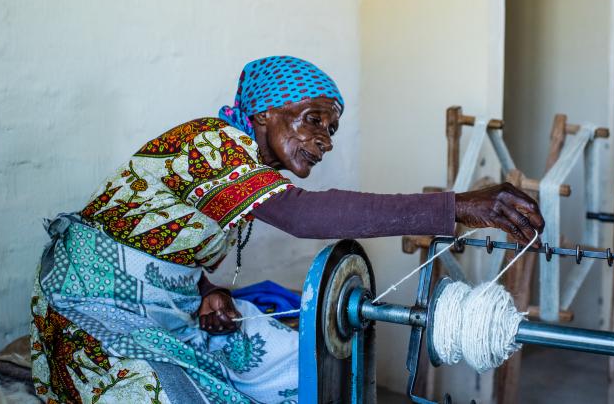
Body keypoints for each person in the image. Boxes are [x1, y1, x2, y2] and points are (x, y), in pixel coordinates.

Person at [30, 56, 544, 403]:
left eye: (332, 129)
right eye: (313, 120)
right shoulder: (206, 143)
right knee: (165, 391)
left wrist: (207, 291)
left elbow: (169, 251)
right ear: (265, 111)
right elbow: (305, 217)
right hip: (90, 306)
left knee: (299, 367)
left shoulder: (247, 179)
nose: (325, 140)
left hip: (169, 314)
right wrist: (456, 207)